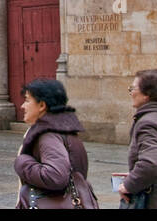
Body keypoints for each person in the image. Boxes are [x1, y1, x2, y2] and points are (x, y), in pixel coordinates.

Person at [13, 77, 98, 209]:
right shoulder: (64, 130)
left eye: (27, 100)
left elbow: (55, 176)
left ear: (42, 105)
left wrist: (23, 162)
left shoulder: (49, 136)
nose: (23, 106)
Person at [119, 68, 157, 208]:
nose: (131, 92)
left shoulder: (149, 123)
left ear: (147, 94)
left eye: (133, 88)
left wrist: (129, 185)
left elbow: (152, 165)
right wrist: (137, 174)